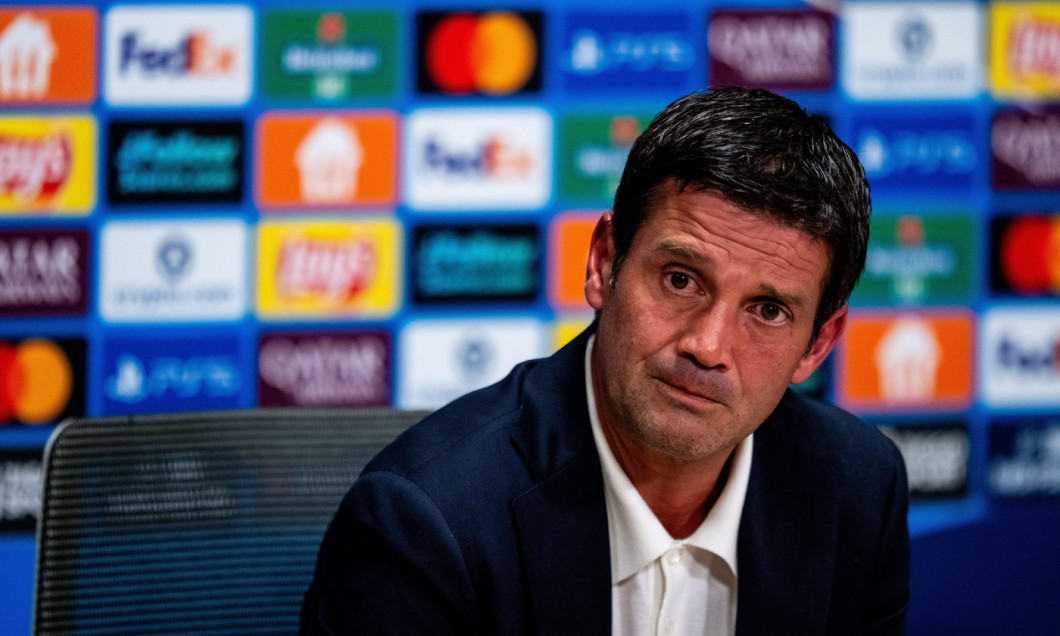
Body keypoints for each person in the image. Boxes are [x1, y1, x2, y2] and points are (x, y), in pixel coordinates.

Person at [300, 86, 909, 635]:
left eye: (768, 311)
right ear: (603, 262)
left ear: (818, 343)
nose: (708, 346)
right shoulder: (427, 521)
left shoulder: (858, 488)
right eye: (680, 279)